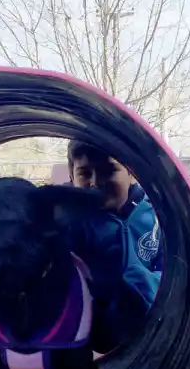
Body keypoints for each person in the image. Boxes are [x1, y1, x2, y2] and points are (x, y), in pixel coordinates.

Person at [64, 140, 162, 353]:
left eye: (108, 170)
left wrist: (144, 284)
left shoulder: (156, 215)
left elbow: (172, 268)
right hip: (84, 327)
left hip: (145, 320)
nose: (96, 182)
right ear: (72, 177)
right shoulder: (67, 219)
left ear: (131, 172)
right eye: (84, 173)